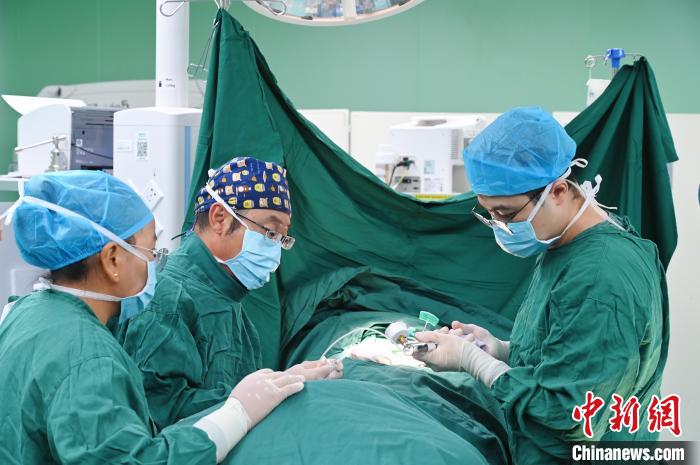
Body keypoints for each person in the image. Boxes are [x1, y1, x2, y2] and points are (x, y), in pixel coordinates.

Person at [412, 107, 669, 464]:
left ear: (558, 190)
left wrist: (474, 362)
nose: (499, 225)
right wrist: (500, 350)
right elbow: (568, 351)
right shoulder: (563, 243)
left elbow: (572, 412)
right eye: (488, 213)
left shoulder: (601, 274)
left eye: (506, 213)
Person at [0, 171, 305, 464]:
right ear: (113, 259)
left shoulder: (29, 312)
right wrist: (236, 413)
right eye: (150, 252)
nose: (156, 264)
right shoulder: (90, 357)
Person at [118, 156, 342, 430]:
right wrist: (260, 399)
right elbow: (161, 412)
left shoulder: (226, 296)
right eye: (270, 232)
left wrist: (283, 383)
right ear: (220, 218)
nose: (275, 248)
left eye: (282, 238)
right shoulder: (167, 299)